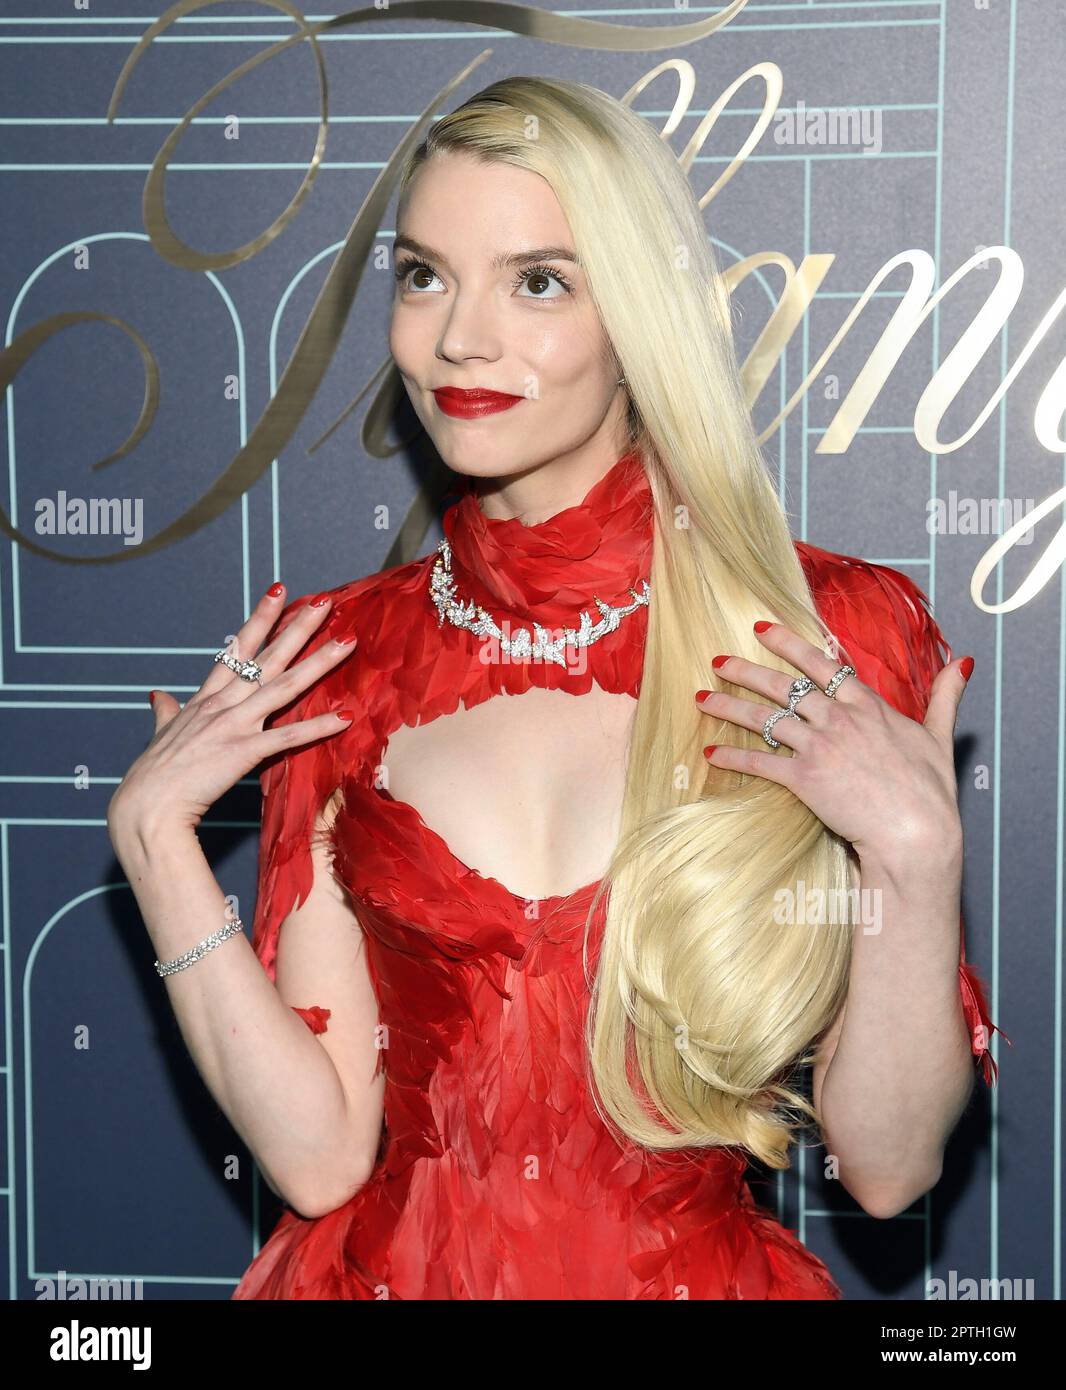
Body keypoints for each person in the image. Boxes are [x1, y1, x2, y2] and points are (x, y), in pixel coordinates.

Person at [109, 76, 1002, 1301]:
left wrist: (912, 855)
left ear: (635, 316)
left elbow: (890, 1168)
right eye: (424, 275)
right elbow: (318, 1158)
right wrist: (158, 847)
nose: (459, 337)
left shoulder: (819, 635)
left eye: (537, 281)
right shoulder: (341, 660)